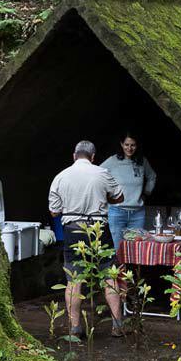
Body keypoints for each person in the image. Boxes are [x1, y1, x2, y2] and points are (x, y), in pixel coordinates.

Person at [48, 140, 124, 337]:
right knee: (109, 277)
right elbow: (120, 197)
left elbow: (54, 211)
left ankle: (75, 327)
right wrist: (103, 198)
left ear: (74, 156)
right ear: (93, 157)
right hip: (99, 230)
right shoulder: (102, 173)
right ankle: (117, 325)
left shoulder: (60, 176)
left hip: (73, 230)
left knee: (74, 279)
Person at [101, 134, 158, 248]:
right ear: (121, 144)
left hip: (137, 213)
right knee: (119, 249)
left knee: (135, 249)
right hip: (117, 212)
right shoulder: (112, 161)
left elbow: (152, 177)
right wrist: (107, 196)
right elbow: (98, 175)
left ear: (137, 146)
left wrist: (146, 193)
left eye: (133, 145)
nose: (129, 148)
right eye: (126, 145)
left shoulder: (142, 161)